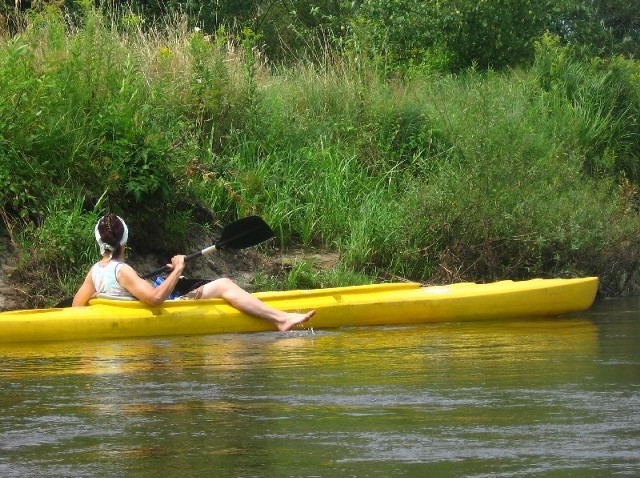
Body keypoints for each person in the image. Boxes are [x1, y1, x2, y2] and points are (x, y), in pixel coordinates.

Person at [72, 214, 315, 331]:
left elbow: (76, 307)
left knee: (198, 283)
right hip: (166, 309)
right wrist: (177, 269)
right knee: (224, 284)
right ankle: (282, 319)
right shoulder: (123, 270)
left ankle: (278, 316)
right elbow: (156, 300)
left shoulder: (95, 271)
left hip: (122, 312)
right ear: (125, 240)